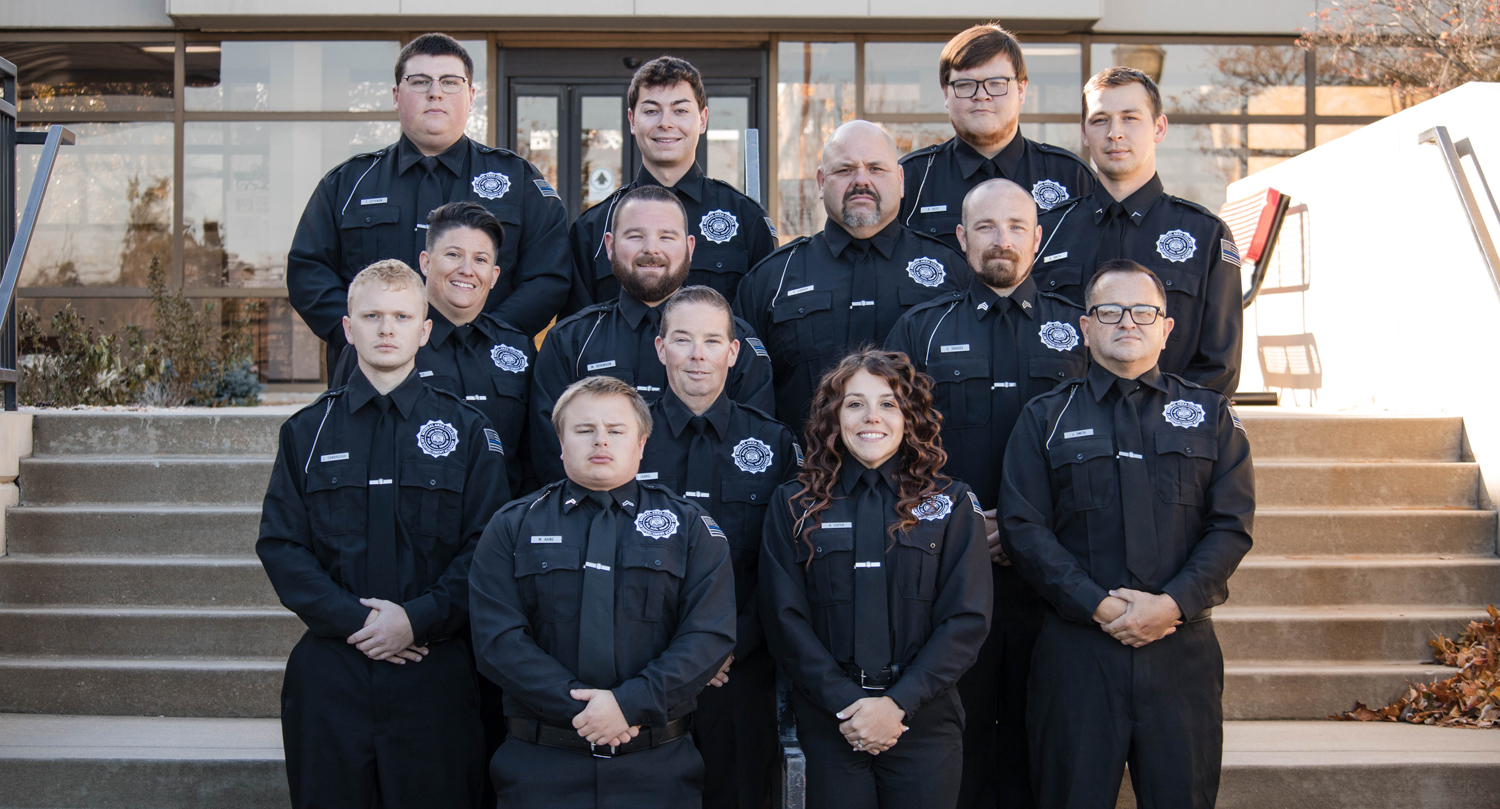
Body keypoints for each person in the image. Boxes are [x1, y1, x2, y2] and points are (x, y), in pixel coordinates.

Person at [1000, 260, 1254, 809]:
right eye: (1109, 311)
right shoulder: (1044, 419)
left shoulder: (1210, 416)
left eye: (1143, 311)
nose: (1127, 323)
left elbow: (1231, 528)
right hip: (1078, 655)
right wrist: (1096, 606)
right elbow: (1024, 530)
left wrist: (1172, 605)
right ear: (1086, 327)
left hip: (1180, 652)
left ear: (1166, 328)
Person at [258, 259, 510, 809]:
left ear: (425, 330)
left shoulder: (468, 432)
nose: (387, 328)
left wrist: (415, 619)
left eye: (401, 316)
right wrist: (362, 623)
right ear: (348, 328)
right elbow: (282, 545)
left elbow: (487, 549)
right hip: (332, 669)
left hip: (434, 668)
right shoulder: (306, 431)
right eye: (371, 316)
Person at [885, 177, 1087, 809]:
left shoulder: (1078, 329)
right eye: (986, 227)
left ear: (1037, 236)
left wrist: (1025, 529)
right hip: (948, 570)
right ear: (961, 238)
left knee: (1044, 738)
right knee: (957, 738)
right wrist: (972, 522)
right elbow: (894, 440)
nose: (1002, 240)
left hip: (1055, 574)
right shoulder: (919, 330)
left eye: (1017, 227)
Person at [469, 375, 737, 809]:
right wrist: (586, 711)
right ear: (560, 441)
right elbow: (497, 640)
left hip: (656, 766)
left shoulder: (690, 527)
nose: (600, 441)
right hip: (541, 766)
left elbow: (708, 636)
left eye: (616, 430)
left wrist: (629, 704)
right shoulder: (512, 526)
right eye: (583, 430)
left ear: (642, 443)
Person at [760, 349, 991, 809]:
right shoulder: (794, 505)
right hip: (831, 721)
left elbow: (967, 619)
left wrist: (898, 703)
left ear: (910, 416)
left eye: (888, 403)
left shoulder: (952, 503)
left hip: (924, 718)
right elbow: (784, 619)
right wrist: (848, 704)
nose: (872, 417)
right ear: (834, 416)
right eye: (854, 403)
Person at [289, 33, 569, 373]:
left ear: (471, 96)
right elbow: (308, 272)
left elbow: (549, 276)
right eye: (420, 81)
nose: (435, 92)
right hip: (375, 376)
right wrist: (366, 335)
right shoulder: (349, 183)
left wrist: (482, 336)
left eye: (450, 82)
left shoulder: (517, 180)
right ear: (396, 96)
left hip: (484, 374)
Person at [637, 285, 800, 809]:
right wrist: (672, 656)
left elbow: (784, 564)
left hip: (738, 667)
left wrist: (725, 648)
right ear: (661, 348)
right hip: (644, 665)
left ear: (733, 353)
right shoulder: (625, 435)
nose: (697, 355)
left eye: (712, 341)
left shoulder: (773, 444)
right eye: (682, 340)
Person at [734, 121, 969, 436]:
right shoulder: (771, 280)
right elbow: (744, 398)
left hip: (917, 478)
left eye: (875, 168)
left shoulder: (952, 272)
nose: (861, 180)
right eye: (845, 170)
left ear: (900, 180)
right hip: (806, 478)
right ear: (821, 182)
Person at [532, 185, 775, 484]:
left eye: (666, 237)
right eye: (635, 236)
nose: (651, 249)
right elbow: (549, 457)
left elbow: (752, 443)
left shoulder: (735, 342)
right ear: (609, 245)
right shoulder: (570, 342)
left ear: (689, 246)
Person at [1032, 67, 1243, 395]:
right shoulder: (1047, 231)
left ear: (1159, 128)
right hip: (1062, 434)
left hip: (1165, 437)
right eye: (1100, 120)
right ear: (1085, 134)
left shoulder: (1206, 235)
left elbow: (1219, 367)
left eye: (1130, 118)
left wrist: (1156, 424)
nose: (1115, 133)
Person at [331, 201, 535, 496]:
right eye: (453, 255)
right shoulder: (385, 343)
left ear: (494, 275)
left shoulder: (518, 348)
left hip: (503, 524)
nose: (467, 270)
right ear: (426, 262)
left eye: (480, 259)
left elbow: (535, 455)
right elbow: (345, 440)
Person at [563, 56, 778, 317]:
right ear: (632, 120)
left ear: (702, 119)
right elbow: (578, 338)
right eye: (651, 110)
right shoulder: (594, 228)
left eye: (680, 110)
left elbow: (763, 331)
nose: (666, 123)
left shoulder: (746, 219)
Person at [898, 23, 1095, 251]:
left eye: (996, 83)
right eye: (965, 84)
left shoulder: (1072, 178)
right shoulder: (911, 182)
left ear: (1021, 90)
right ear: (945, 93)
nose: (981, 96)